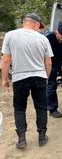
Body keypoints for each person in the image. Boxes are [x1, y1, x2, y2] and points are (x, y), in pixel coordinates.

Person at [1, 13, 53, 148]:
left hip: (19, 77)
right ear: (35, 24)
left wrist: (4, 79)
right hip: (39, 76)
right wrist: (46, 76)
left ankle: (22, 139)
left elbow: (6, 60)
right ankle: (42, 136)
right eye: (39, 26)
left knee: (19, 108)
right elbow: (48, 62)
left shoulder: (10, 35)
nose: (39, 28)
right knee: (41, 107)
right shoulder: (43, 39)